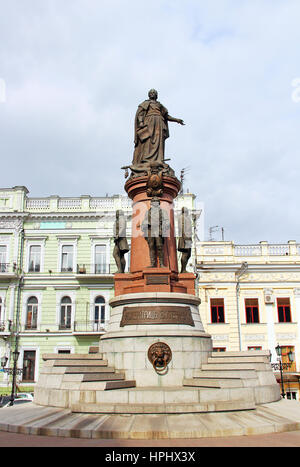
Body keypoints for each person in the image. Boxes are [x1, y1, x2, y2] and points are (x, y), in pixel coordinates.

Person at [132, 89, 184, 169]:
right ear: (149, 95)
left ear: (156, 95)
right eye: (151, 93)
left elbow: (166, 116)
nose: (152, 94)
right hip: (149, 122)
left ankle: (159, 159)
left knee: (158, 141)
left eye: (154, 93)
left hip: (159, 123)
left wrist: (177, 120)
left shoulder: (160, 105)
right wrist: (141, 122)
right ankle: (146, 159)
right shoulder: (145, 103)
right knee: (148, 140)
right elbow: (140, 114)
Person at [141, 198, 170, 268]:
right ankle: (152, 264)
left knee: (160, 246)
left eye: (156, 201)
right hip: (150, 230)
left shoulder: (162, 212)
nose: (154, 203)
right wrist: (145, 224)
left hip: (158, 230)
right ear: (151, 203)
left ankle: (161, 263)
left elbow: (167, 221)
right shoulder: (148, 212)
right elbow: (144, 221)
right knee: (151, 247)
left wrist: (164, 227)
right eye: (153, 202)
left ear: (159, 203)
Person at [178, 207, 192, 273]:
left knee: (189, 254)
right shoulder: (182, 217)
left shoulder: (187, 218)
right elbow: (182, 228)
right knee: (185, 253)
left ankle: (184, 269)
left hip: (188, 238)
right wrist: (185, 237)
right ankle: (183, 270)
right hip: (185, 237)